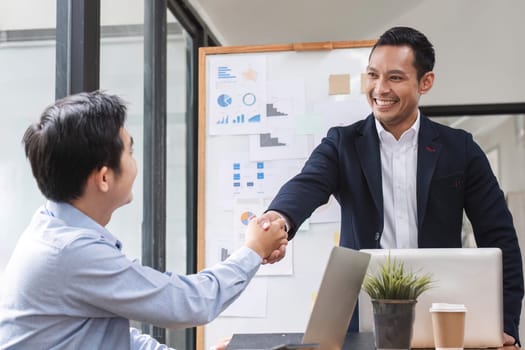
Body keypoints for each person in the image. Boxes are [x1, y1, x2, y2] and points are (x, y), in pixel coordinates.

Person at [262, 26, 524, 345]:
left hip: (440, 309)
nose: (379, 88)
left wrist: (507, 320)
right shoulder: (342, 144)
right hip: (359, 315)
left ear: (425, 82)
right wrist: (278, 219)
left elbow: (499, 237)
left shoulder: (460, 149)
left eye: (395, 78)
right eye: (373, 75)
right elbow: (307, 185)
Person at [0, 91, 288, 349]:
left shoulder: (54, 226)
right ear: (103, 177)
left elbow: (113, 338)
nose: (135, 163)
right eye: (130, 152)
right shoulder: (70, 250)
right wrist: (254, 250)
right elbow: (189, 304)